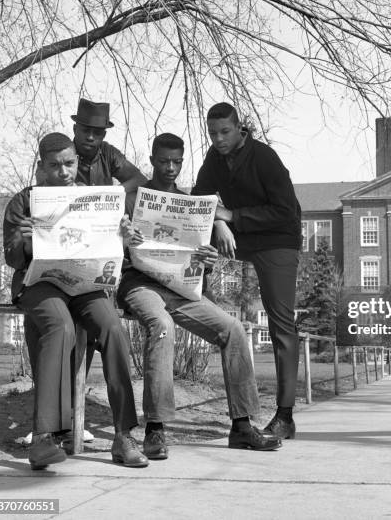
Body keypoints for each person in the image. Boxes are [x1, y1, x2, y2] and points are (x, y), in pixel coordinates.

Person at [117, 133, 281, 458]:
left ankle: (242, 427)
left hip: (179, 287)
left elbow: (198, 256)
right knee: (162, 325)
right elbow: (108, 248)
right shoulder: (133, 198)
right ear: (151, 160)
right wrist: (122, 236)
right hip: (139, 284)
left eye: (177, 161)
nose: (170, 168)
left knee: (233, 330)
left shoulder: (190, 205)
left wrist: (207, 258)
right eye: (164, 161)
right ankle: (156, 430)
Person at [4, 132, 148, 470]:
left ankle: (123, 435)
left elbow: (112, 249)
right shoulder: (24, 202)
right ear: (40, 169)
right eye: (54, 166)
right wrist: (24, 242)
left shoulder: (95, 200)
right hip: (40, 283)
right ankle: (43, 438)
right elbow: (12, 259)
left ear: (76, 164)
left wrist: (123, 237)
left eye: (69, 164)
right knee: (61, 327)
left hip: (85, 282)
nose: (63, 172)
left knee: (112, 326)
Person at [191, 103, 302, 440]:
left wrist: (231, 217)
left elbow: (285, 213)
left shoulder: (264, 158)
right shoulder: (214, 158)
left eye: (225, 131)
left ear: (240, 128)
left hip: (277, 238)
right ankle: (185, 303)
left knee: (282, 322)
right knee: (195, 243)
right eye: (212, 133)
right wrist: (217, 223)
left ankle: (285, 416)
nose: (219, 139)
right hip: (238, 235)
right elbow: (199, 200)